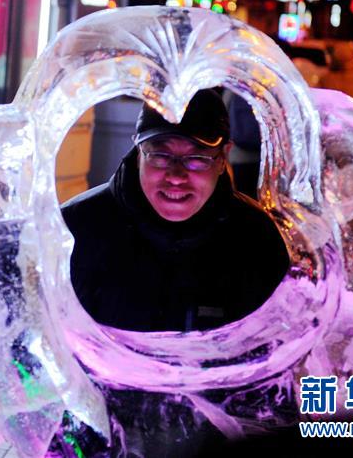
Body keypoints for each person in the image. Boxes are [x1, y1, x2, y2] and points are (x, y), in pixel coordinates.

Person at [61, 89, 290, 332]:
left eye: (197, 158)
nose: (176, 176)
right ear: (139, 153)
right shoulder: (73, 231)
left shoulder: (258, 241)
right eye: (161, 155)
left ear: (223, 157)